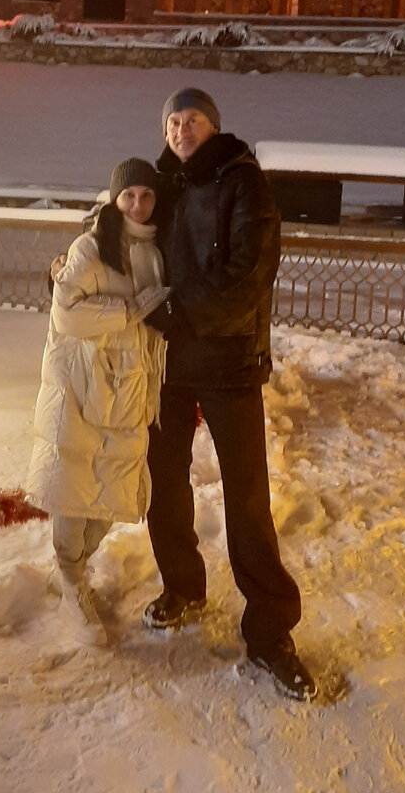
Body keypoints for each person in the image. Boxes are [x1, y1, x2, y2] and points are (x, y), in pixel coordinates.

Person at [142, 88, 316, 701]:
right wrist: (66, 269)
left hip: (229, 361)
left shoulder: (243, 183)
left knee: (246, 497)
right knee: (162, 484)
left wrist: (179, 313)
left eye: (191, 119)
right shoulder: (159, 183)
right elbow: (112, 237)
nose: (179, 128)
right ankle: (183, 585)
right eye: (171, 121)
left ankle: (270, 630)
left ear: (213, 126)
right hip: (167, 364)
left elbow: (249, 273)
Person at [27, 158, 170, 646]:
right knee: (75, 487)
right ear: (114, 199)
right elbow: (67, 314)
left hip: (131, 391)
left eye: (146, 195)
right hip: (85, 389)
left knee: (109, 496)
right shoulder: (90, 246)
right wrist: (129, 310)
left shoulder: (155, 248)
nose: (137, 203)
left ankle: (72, 568)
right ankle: (70, 579)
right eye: (128, 195)